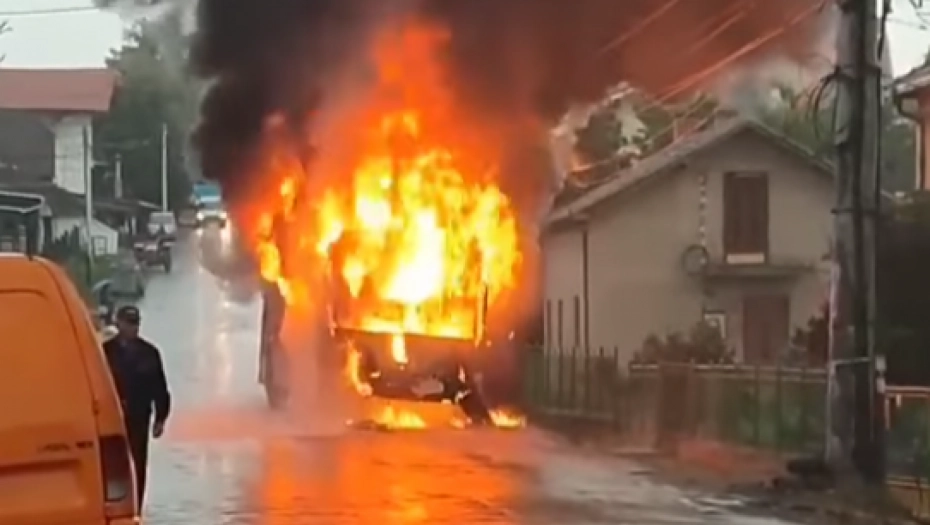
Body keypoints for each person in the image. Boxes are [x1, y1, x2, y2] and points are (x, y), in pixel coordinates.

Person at [102, 305, 171, 509]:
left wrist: (160, 418)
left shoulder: (149, 353)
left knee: (137, 464)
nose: (133, 328)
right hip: (111, 419)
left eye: (135, 323)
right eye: (129, 323)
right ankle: (112, 506)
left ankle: (135, 508)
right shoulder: (106, 352)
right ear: (118, 323)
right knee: (112, 466)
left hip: (139, 418)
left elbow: (159, 387)